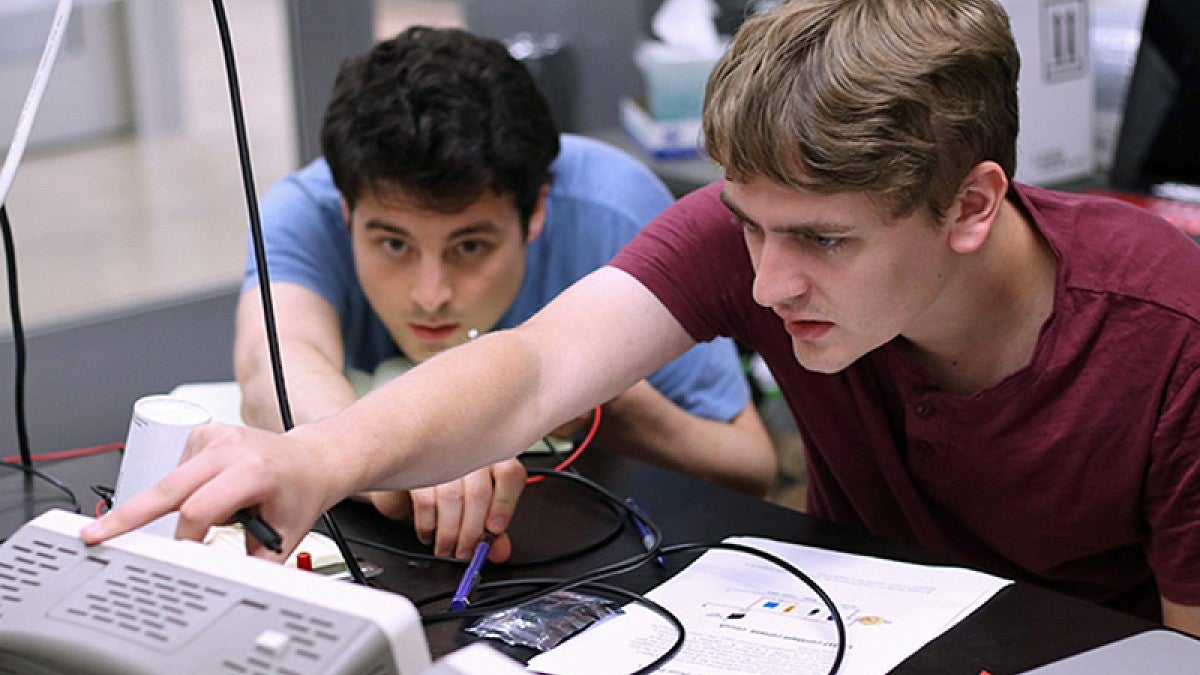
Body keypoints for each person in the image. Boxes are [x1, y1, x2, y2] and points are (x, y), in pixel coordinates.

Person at [85, 0, 1200, 634]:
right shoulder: (761, 232)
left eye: (822, 241)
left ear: (971, 204)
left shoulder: (1173, 344)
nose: (765, 285)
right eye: (751, 228)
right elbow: (529, 372)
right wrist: (312, 459)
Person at [231, 26, 775, 561]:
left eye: (470, 247)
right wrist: (401, 457)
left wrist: (612, 408)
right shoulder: (305, 210)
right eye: (394, 244)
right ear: (346, 209)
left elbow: (749, 467)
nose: (430, 295)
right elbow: (272, 370)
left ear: (535, 210)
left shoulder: (616, 212)